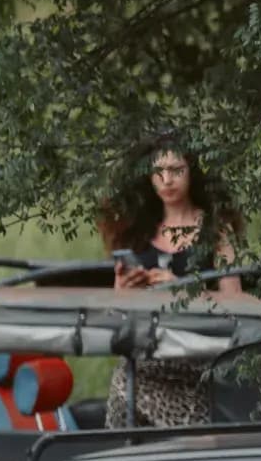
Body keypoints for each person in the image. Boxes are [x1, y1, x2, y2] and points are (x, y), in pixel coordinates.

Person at [98, 135, 247, 427]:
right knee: (123, 380)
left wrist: (182, 291)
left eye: (176, 170)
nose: (167, 180)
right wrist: (124, 290)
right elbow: (115, 315)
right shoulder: (138, 231)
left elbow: (236, 305)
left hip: (198, 352)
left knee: (129, 382)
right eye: (158, 172)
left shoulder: (216, 230)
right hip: (148, 350)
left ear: (192, 171)